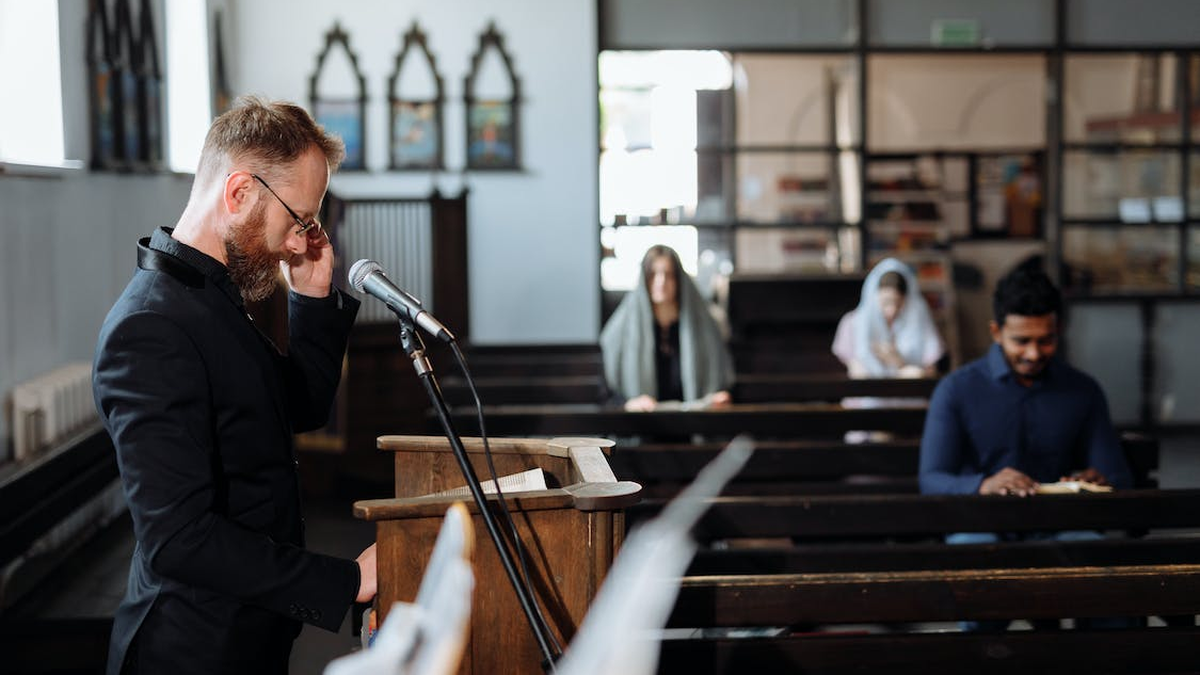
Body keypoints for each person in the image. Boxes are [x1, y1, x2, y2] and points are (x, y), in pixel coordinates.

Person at [93, 97, 377, 674]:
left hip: (246, 632)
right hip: (192, 650)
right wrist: (346, 582)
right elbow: (178, 539)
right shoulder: (152, 327)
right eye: (298, 220)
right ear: (240, 192)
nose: (300, 242)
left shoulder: (212, 296)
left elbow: (294, 407)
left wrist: (312, 299)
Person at [918, 264, 1132, 631]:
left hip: (1060, 524)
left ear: (1058, 331)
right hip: (984, 524)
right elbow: (932, 478)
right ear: (996, 332)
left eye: (1045, 340)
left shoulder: (1082, 390)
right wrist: (983, 485)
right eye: (1022, 341)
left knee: (1100, 568)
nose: (1034, 353)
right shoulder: (957, 391)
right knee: (978, 562)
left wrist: (1096, 479)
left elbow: (1117, 476)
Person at [600, 245, 734, 412]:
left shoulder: (707, 325)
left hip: (695, 427)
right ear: (644, 279)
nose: (661, 282)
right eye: (653, 275)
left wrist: (718, 399)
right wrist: (628, 404)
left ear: (679, 280)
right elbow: (607, 396)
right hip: (642, 428)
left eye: (669, 275)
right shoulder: (620, 329)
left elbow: (725, 385)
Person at [832, 257, 944, 380]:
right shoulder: (852, 323)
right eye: (886, 302)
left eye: (898, 303)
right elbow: (857, 374)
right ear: (873, 296)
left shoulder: (921, 322)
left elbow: (930, 372)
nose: (892, 310)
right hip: (869, 395)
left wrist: (900, 363)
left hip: (909, 394)